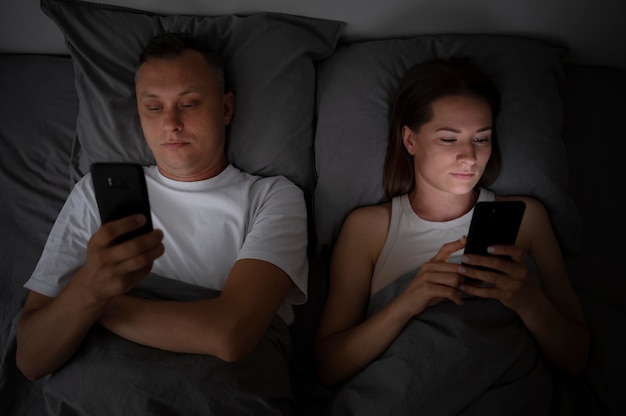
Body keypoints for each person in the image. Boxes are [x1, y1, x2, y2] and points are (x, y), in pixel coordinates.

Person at [16, 32, 308, 382]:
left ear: (226, 108)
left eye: (188, 104)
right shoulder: (95, 192)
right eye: (154, 108)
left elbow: (229, 336)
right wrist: (90, 288)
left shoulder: (272, 197)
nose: (171, 123)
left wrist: (91, 300)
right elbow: (31, 358)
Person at [314, 58, 589, 411]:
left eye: (482, 138)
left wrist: (527, 301)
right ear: (410, 140)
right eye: (448, 138)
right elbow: (328, 367)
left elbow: (576, 357)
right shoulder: (368, 229)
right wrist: (406, 303)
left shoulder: (527, 219)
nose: (470, 157)